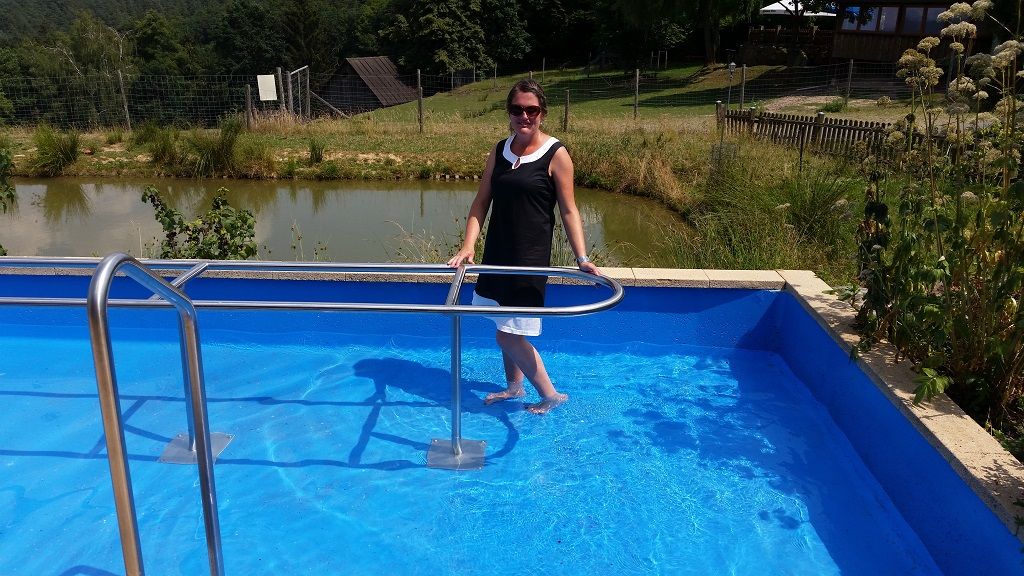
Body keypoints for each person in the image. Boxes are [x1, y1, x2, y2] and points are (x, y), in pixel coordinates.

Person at [447, 79, 600, 414]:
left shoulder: (557, 154)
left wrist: (582, 257)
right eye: (517, 109)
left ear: (542, 113)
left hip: (528, 260)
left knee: (508, 335)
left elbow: (569, 210)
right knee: (504, 325)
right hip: (497, 256)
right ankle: (514, 386)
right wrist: (468, 246)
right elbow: (481, 202)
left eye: (532, 109)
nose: (524, 116)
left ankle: (551, 395)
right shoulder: (499, 150)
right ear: (509, 112)